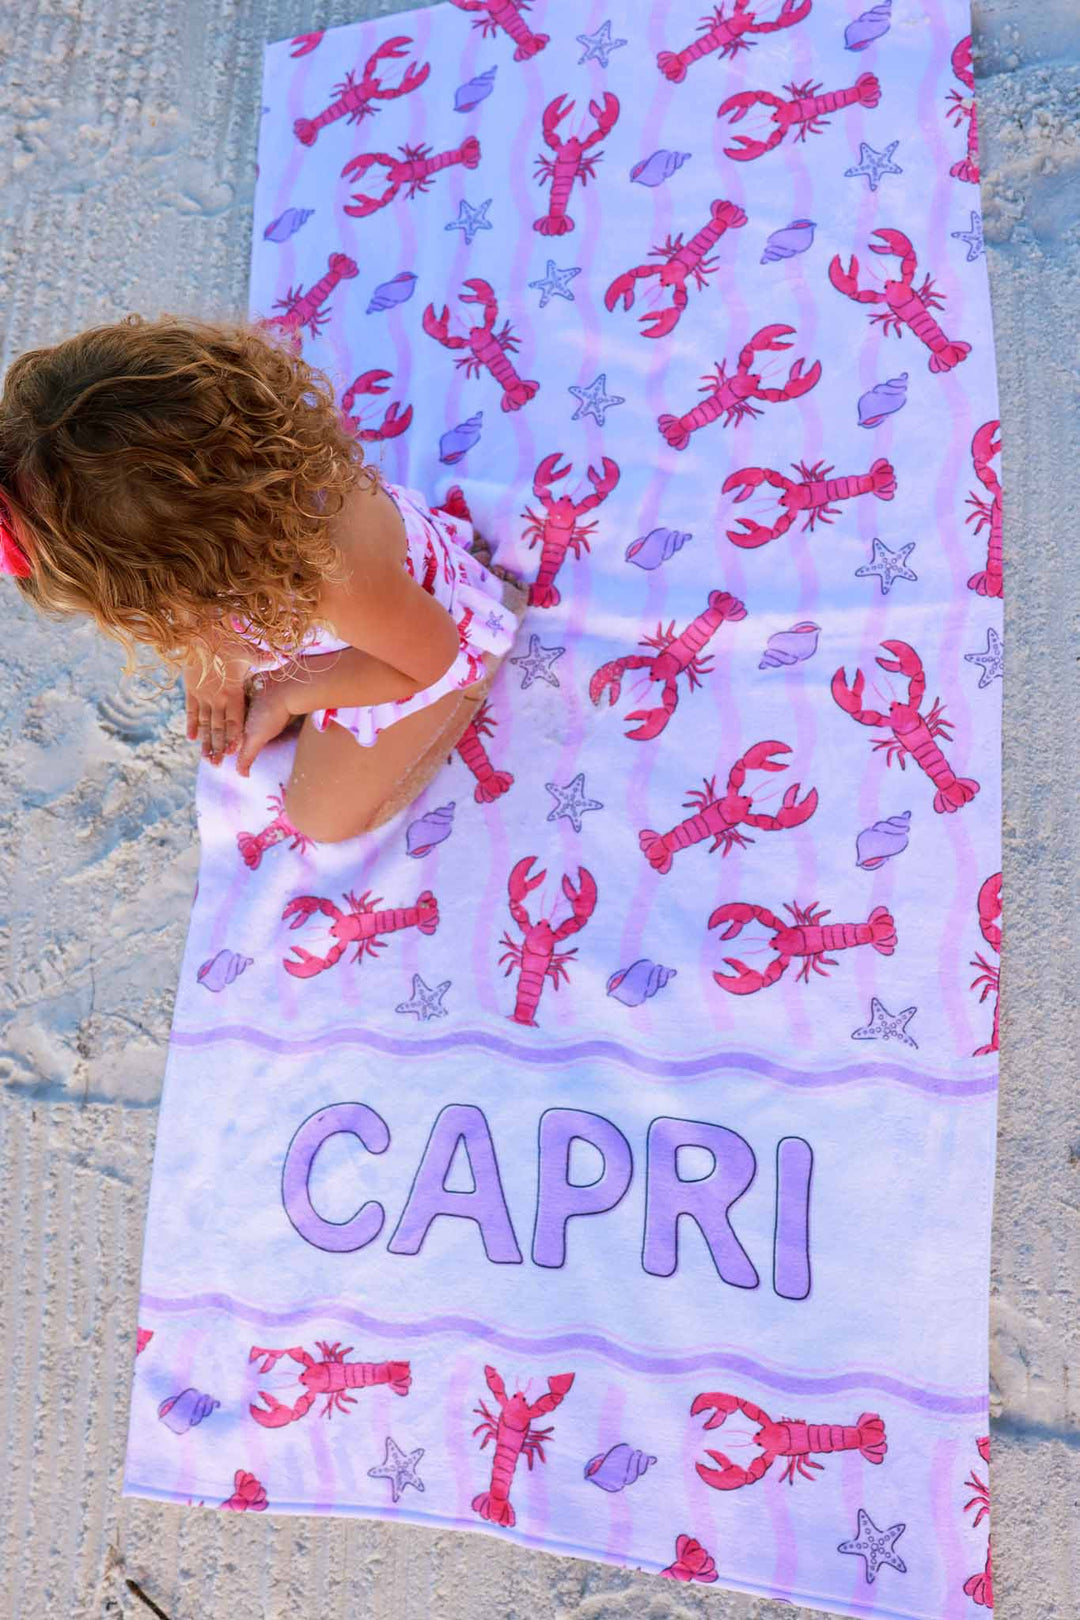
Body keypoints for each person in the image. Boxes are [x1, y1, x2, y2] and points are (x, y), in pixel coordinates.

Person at [0, 312, 528, 842]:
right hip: (360, 617)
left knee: (321, 821)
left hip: (431, 639)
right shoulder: (246, 516)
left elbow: (432, 659)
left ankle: (486, 649)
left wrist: (288, 696)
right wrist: (213, 661)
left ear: (192, 570)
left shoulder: (338, 582)